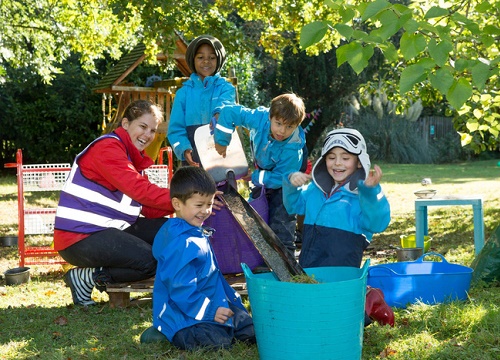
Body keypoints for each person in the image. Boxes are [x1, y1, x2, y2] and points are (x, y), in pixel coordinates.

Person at [53, 100, 176, 306]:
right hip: (79, 238)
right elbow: (140, 191)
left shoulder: (131, 156)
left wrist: (187, 208)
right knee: (148, 261)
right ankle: (88, 277)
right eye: (143, 127)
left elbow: (147, 207)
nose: (148, 135)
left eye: (153, 130)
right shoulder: (108, 147)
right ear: (126, 124)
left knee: (173, 230)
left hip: (106, 229)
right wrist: (185, 199)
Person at [282, 128, 394, 326]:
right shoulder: (314, 191)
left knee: (339, 312)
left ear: (358, 161)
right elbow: (294, 205)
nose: (338, 163)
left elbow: (379, 222)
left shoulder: (362, 196)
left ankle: (370, 301)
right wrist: (291, 185)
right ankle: (368, 296)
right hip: (311, 259)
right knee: (312, 306)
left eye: (346, 157)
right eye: (331, 157)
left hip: (342, 264)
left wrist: (371, 192)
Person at [142, 166, 255, 350]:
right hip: (184, 313)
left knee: (250, 328)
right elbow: (181, 289)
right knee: (217, 341)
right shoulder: (181, 242)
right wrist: (212, 311)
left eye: (209, 204)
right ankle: (160, 333)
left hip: (210, 302)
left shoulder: (194, 230)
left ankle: (223, 327)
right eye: (199, 205)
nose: (205, 211)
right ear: (177, 204)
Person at [212, 93, 307, 254]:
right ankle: (259, 254)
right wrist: (221, 140)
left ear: (297, 125)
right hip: (264, 165)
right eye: (278, 123)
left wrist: (256, 177)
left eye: (289, 127)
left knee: (282, 209)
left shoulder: (293, 147)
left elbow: (281, 178)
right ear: (270, 117)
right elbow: (229, 112)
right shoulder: (259, 118)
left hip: (287, 174)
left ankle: (285, 254)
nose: (282, 131)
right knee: (258, 207)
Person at [167, 34, 236, 166]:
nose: (206, 61)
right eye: (200, 57)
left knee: (222, 187)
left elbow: (226, 105)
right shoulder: (183, 94)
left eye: (212, 57)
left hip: (222, 156)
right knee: (194, 187)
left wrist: (218, 114)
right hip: (193, 161)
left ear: (219, 61)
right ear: (193, 60)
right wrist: (184, 149)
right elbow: (175, 129)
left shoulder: (226, 88)